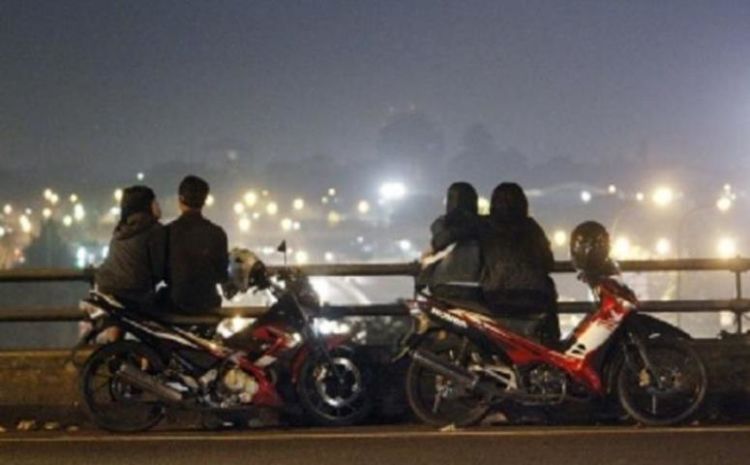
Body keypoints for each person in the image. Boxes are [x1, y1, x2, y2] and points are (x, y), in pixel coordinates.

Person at [479, 182, 560, 344]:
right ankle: (553, 344)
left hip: (496, 299)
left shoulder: (485, 226)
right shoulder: (532, 228)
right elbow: (548, 263)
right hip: (535, 299)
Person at [162, 175, 229, 314]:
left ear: (180, 199)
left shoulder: (167, 232)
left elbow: (161, 272)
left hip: (175, 303)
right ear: (204, 202)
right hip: (208, 303)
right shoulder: (217, 233)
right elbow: (222, 275)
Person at [95, 185, 166, 310]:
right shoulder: (155, 230)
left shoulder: (121, 229)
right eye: (155, 202)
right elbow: (159, 269)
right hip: (133, 294)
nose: (159, 206)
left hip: (105, 287)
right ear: (146, 206)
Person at [418, 182, 483, 302]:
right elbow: (440, 240)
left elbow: (439, 241)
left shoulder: (483, 223)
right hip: (470, 284)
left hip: (456, 283)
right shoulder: (444, 223)